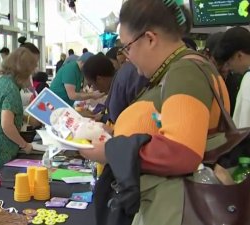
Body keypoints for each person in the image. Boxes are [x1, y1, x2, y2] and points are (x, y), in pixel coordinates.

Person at [79, 1, 230, 225]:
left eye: (127, 47)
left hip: (176, 206)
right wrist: (111, 133)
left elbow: (182, 151)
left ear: (150, 38)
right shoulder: (175, 72)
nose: (126, 57)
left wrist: (110, 151)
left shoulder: (185, 72)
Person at [0, 47, 38, 167]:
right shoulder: (11, 88)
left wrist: (26, 119)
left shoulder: (1, 82)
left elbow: (4, 112)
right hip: (0, 147)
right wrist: (25, 145)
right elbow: (6, 125)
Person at [214, 26, 250, 128]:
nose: (228, 68)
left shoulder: (248, 81)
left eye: (228, 62)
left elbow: (245, 130)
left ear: (239, 56)